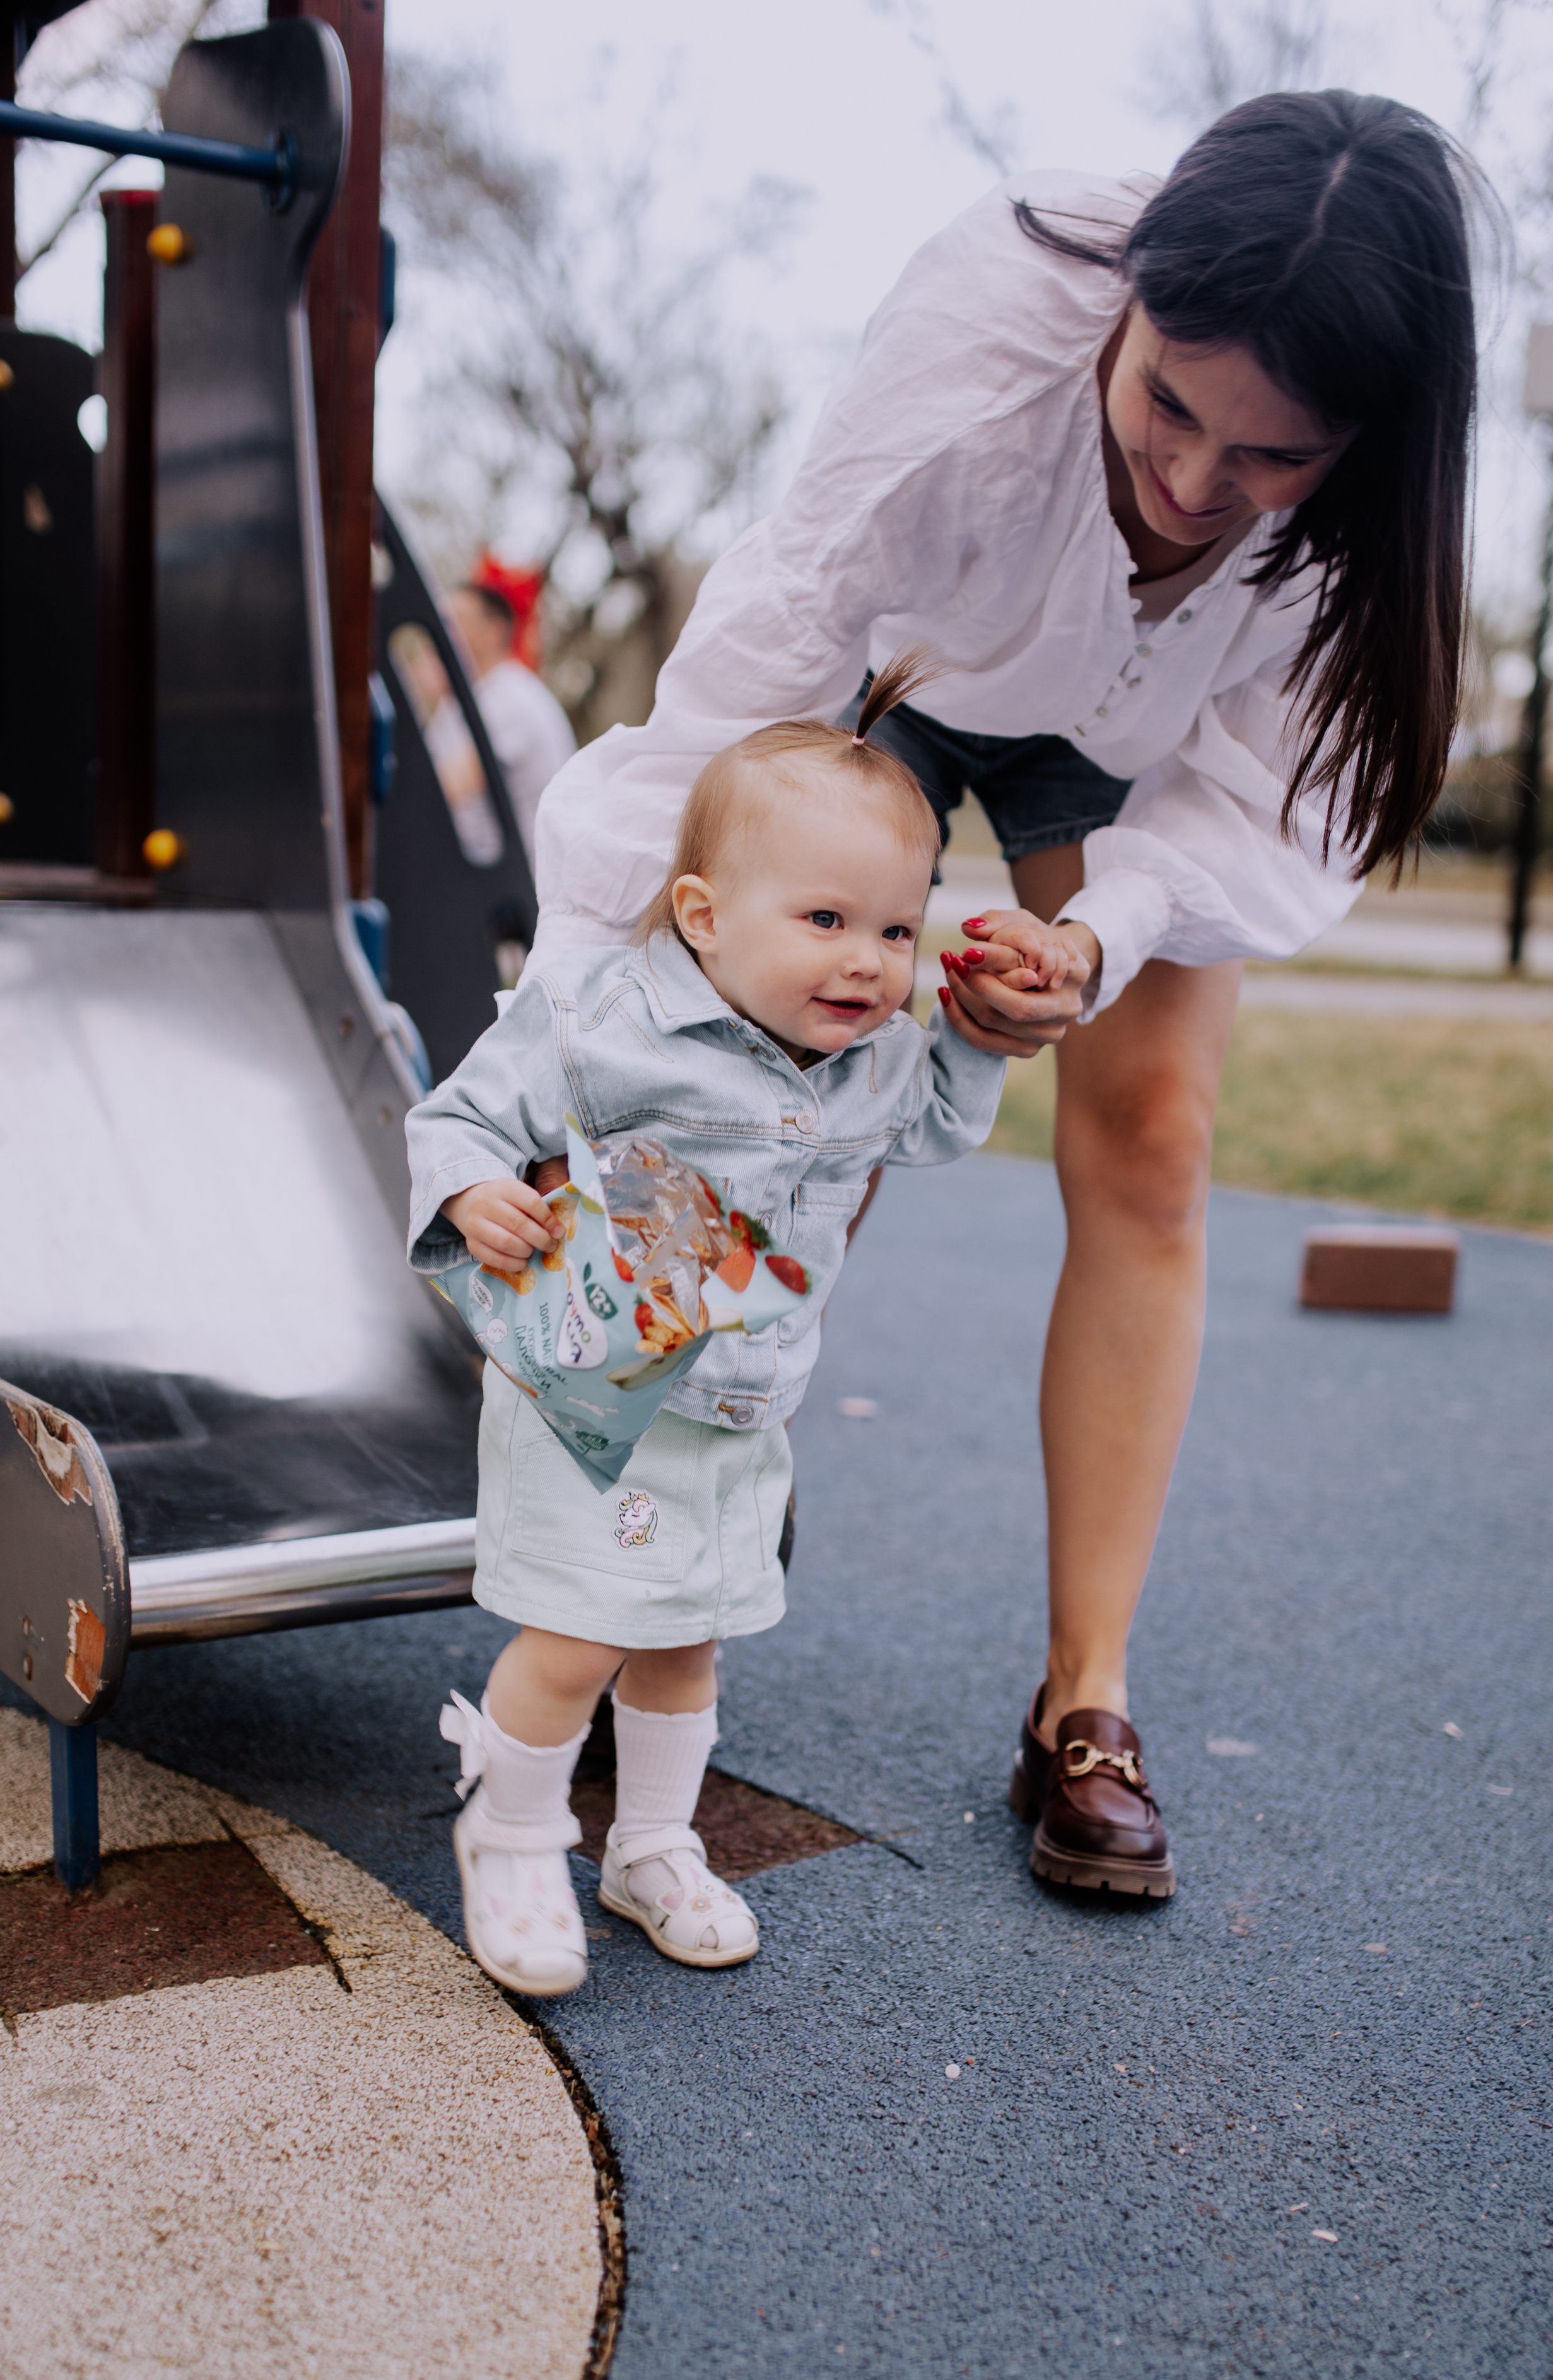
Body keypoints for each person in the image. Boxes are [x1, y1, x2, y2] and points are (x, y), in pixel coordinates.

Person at [526, 92, 1482, 1899]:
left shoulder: (1372, 527)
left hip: (1154, 743)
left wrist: (1096, 942)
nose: (1195, 483)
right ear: (1128, 308)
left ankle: (1085, 1702)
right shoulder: (982, 339)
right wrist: (611, 991)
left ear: (1365, 442)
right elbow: (767, 661)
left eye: (1269, 458)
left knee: (1155, 1140)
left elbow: (1263, 805)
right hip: (907, 655)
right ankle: (639, 1552)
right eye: (1170, 404)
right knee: (781, 1090)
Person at [404, 657, 1054, 1996]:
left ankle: (649, 1845)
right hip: (592, 1405)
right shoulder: (603, 1018)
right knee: (582, 1633)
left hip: (743, 1409)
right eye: (824, 918)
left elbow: (929, 1120)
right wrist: (474, 1191)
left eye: (895, 929)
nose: (867, 963)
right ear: (701, 916)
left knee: (684, 1637)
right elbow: (459, 1116)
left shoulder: (871, 1059)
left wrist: (983, 1035)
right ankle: (515, 1833)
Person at [446, 578, 577, 865]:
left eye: (456, 621)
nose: (445, 633)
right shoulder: (480, 695)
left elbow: (443, 791)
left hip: (512, 885)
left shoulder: (507, 701)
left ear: (493, 632)